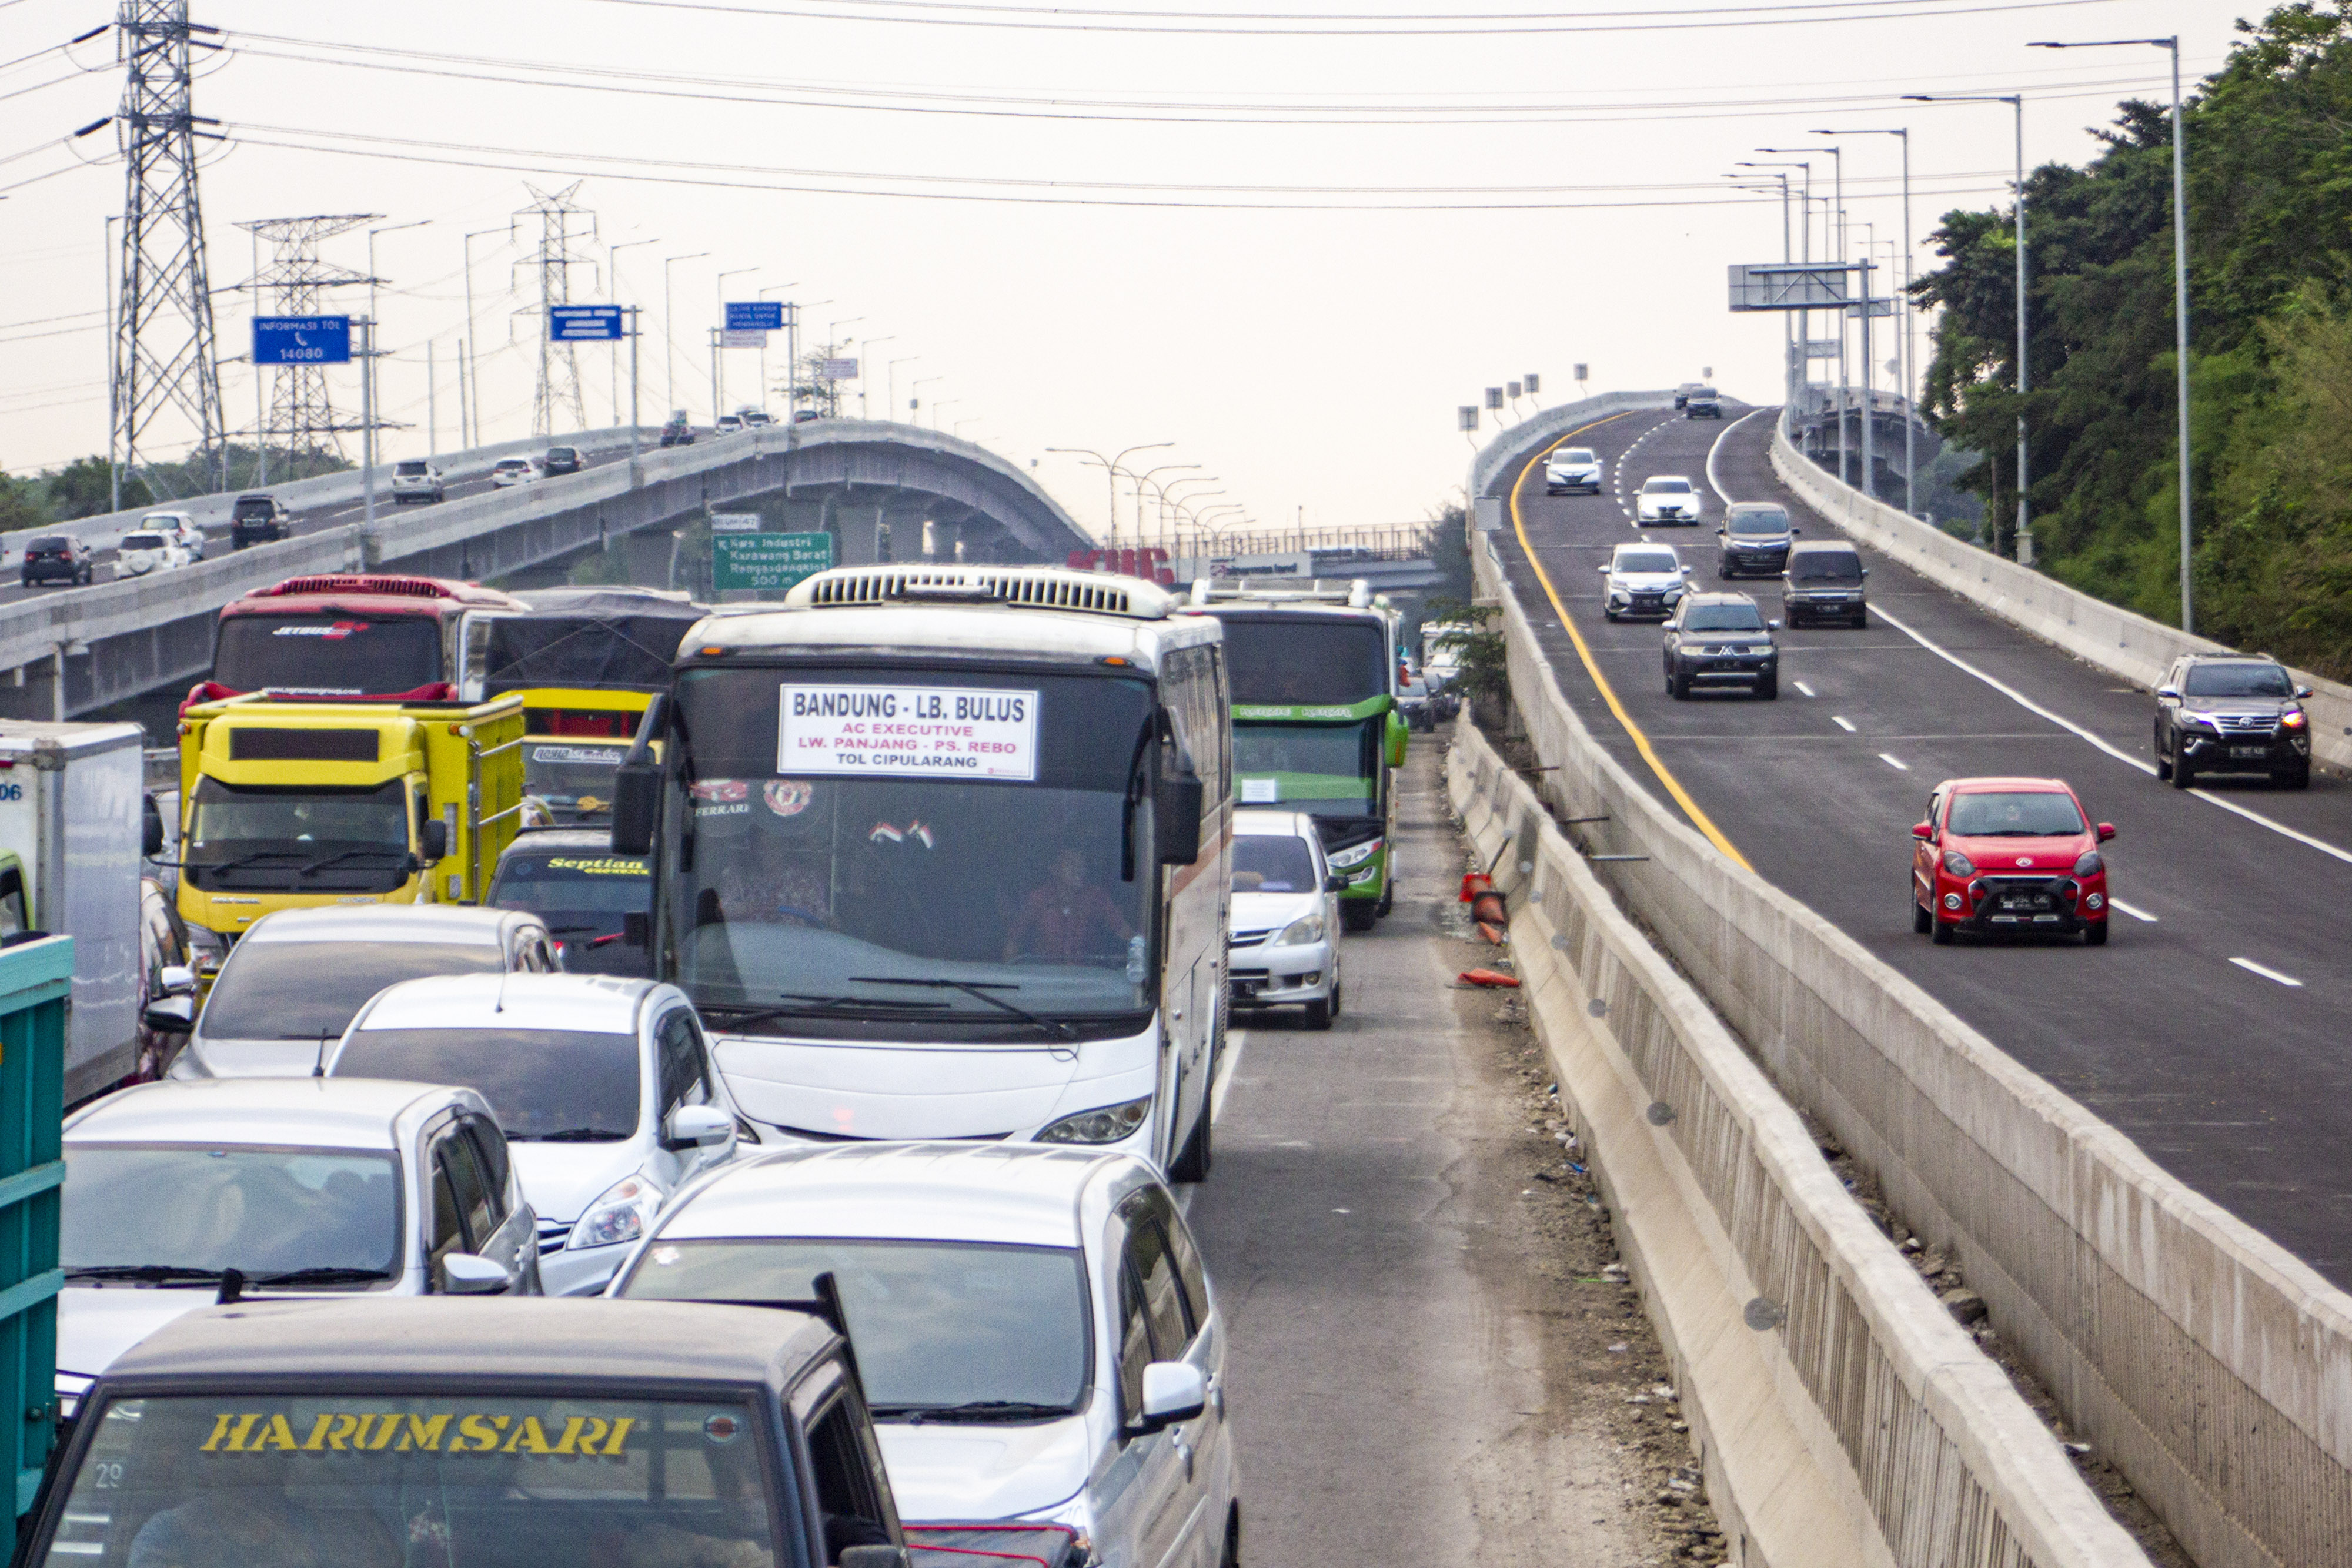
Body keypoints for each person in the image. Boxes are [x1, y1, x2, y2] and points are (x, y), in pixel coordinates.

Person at [1003, 848, 1131, 964]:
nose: (1079, 870)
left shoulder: (1096, 897)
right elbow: (1014, 939)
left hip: (1088, 978)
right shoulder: (1039, 898)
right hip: (1044, 977)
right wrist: (1008, 972)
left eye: (1082, 865)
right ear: (1054, 869)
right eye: (1071, 864)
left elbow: (1124, 932)